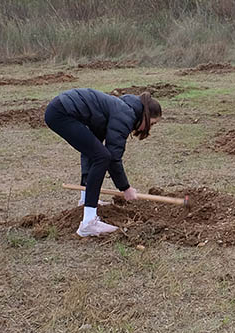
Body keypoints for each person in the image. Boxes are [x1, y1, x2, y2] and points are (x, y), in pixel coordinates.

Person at [44, 89, 162, 237]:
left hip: (60, 109)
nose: (150, 128)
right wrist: (125, 188)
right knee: (103, 157)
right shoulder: (125, 115)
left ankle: (85, 200)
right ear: (146, 116)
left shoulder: (121, 108)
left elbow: (94, 149)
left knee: (96, 154)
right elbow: (113, 158)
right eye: (152, 123)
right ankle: (89, 223)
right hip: (63, 112)